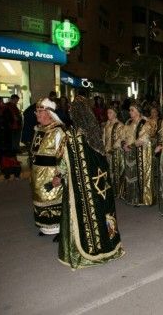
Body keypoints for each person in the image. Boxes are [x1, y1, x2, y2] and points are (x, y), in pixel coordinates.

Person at [56, 96, 125, 269]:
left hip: (82, 189)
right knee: (101, 213)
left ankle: (85, 252)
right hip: (100, 186)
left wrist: (59, 174)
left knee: (84, 217)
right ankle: (107, 246)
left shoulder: (71, 136)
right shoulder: (94, 133)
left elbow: (64, 162)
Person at [30, 98, 66, 239]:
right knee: (40, 199)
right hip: (37, 172)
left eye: (40, 111)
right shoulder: (39, 129)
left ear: (49, 113)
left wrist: (60, 175)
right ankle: (46, 226)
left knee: (53, 199)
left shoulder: (58, 131)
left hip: (51, 172)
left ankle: (59, 228)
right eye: (36, 111)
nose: (37, 114)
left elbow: (63, 155)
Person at [120, 103, 154, 206]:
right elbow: (123, 135)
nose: (130, 112)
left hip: (140, 151)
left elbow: (143, 139)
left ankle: (140, 198)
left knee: (139, 174)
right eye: (130, 110)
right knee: (130, 174)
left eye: (132, 110)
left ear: (138, 111)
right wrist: (123, 144)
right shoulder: (129, 122)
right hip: (129, 151)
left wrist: (130, 146)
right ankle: (131, 197)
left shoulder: (145, 122)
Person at [102, 106, 125, 198]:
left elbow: (121, 138)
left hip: (116, 151)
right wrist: (103, 148)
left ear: (115, 114)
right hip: (107, 150)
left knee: (117, 170)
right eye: (108, 113)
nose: (108, 115)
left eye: (110, 112)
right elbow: (104, 137)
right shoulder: (107, 124)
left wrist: (113, 148)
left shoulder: (120, 125)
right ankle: (111, 190)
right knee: (109, 170)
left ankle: (119, 191)